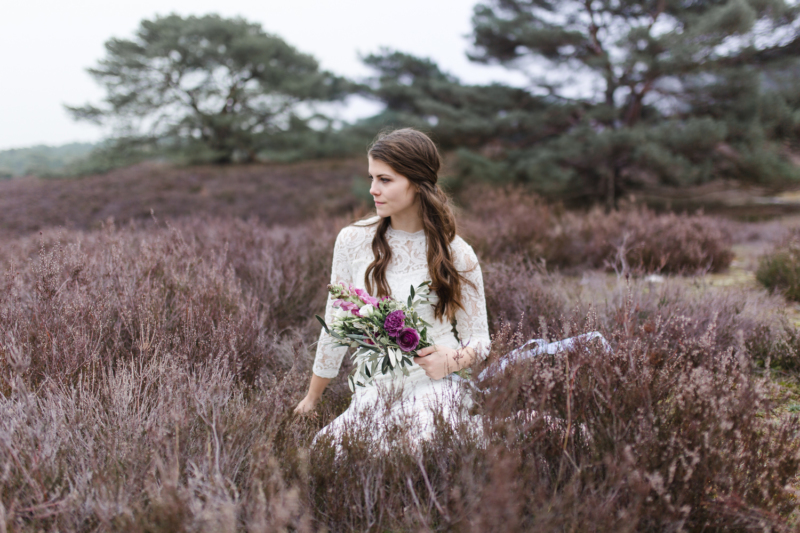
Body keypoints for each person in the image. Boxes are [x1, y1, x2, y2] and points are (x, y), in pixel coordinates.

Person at [294, 128, 490, 443]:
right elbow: (335, 323)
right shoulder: (352, 240)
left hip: (435, 385)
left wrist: (452, 360)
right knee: (331, 450)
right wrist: (312, 398)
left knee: (414, 443)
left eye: (385, 180)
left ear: (416, 182)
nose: (373, 189)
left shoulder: (457, 251)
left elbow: (479, 338)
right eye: (371, 178)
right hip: (373, 387)